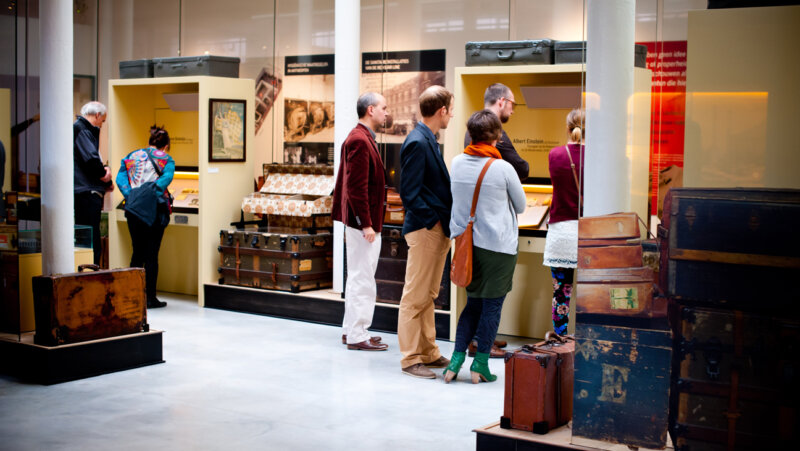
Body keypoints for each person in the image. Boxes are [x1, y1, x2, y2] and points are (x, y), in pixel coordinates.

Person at [444, 110, 526, 384]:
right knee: (492, 307)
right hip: (498, 247)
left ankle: (454, 363)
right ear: (497, 137)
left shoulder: (456, 163)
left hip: (467, 246)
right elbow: (522, 205)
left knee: (472, 304)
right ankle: (480, 365)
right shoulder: (503, 168)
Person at [397, 85, 454, 379]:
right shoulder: (418, 142)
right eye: (451, 110)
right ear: (442, 110)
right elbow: (409, 193)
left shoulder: (427, 138)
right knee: (415, 296)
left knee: (428, 294)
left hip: (435, 228)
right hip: (425, 229)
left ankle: (429, 352)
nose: (452, 115)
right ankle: (410, 358)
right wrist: (432, 220)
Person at [332, 92, 389, 351]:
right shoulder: (359, 140)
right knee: (362, 278)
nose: (386, 112)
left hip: (361, 223)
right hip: (362, 225)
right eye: (383, 108)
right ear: (370, 110)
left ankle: (352, 330)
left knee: (358, 277)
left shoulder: (362, 138)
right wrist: (365, 223)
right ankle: (357, 335)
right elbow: (355, 189)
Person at [116, 125, 175, 309]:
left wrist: (131, 195)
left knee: (137, 252)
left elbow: (119, 179)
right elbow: (165, 180)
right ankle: (150, 298)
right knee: (151, 254)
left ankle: (132, 295)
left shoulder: (132, 156)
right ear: (166, 146)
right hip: (155, 209)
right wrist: (151, 193)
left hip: (133, 209)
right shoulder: (167, 160)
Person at [542, 109, 585, 336]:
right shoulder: (597, 156)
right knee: (591, 293)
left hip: (561, 233)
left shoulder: (555, 155)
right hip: (589, 233)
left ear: (567, 128)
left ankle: (560, 339)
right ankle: (588, 341)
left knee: (561, 293)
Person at [464, 83, 529, 182]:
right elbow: (522, 170)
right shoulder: (494, 133)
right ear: (502, 102)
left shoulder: (469, 131)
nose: (512, 111)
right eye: (512, 104)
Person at [74, 101, 112, 265]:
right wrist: (105, 174)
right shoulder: (82, 130)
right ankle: (91, 272)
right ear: (97, 116)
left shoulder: (80, 129)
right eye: (103, 121)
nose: (102, 125)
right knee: (90, 236)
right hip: (87, 191)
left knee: (85, 234)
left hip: (83, 190)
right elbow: (91, 160)